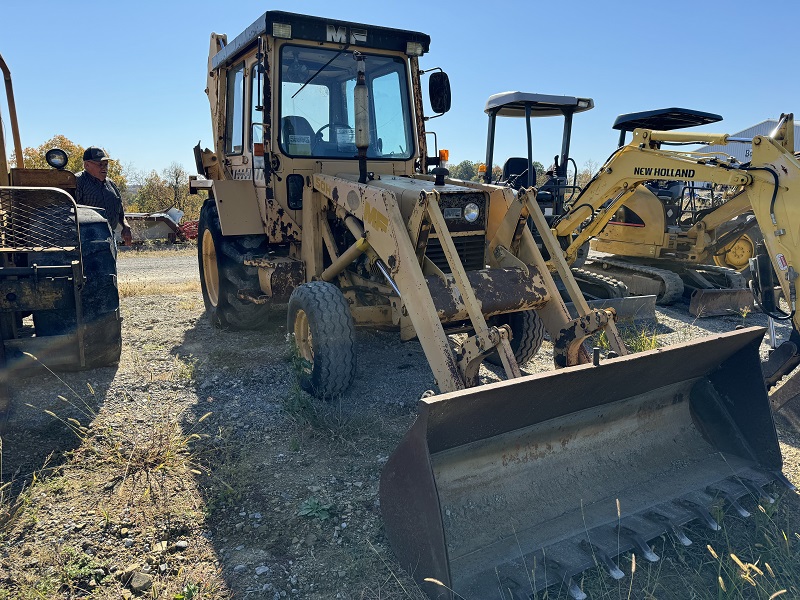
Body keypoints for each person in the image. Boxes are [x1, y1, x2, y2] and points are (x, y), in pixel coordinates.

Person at [75, 147, 132, 245]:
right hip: (87, 239)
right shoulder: (77, 181)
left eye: (106, 164)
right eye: (100, 164)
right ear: (86, 165)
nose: (104, 168)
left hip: (109, 237)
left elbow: (120, 210)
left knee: (109, 261)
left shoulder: (111, 184)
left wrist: (126, 226)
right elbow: (71, 211)